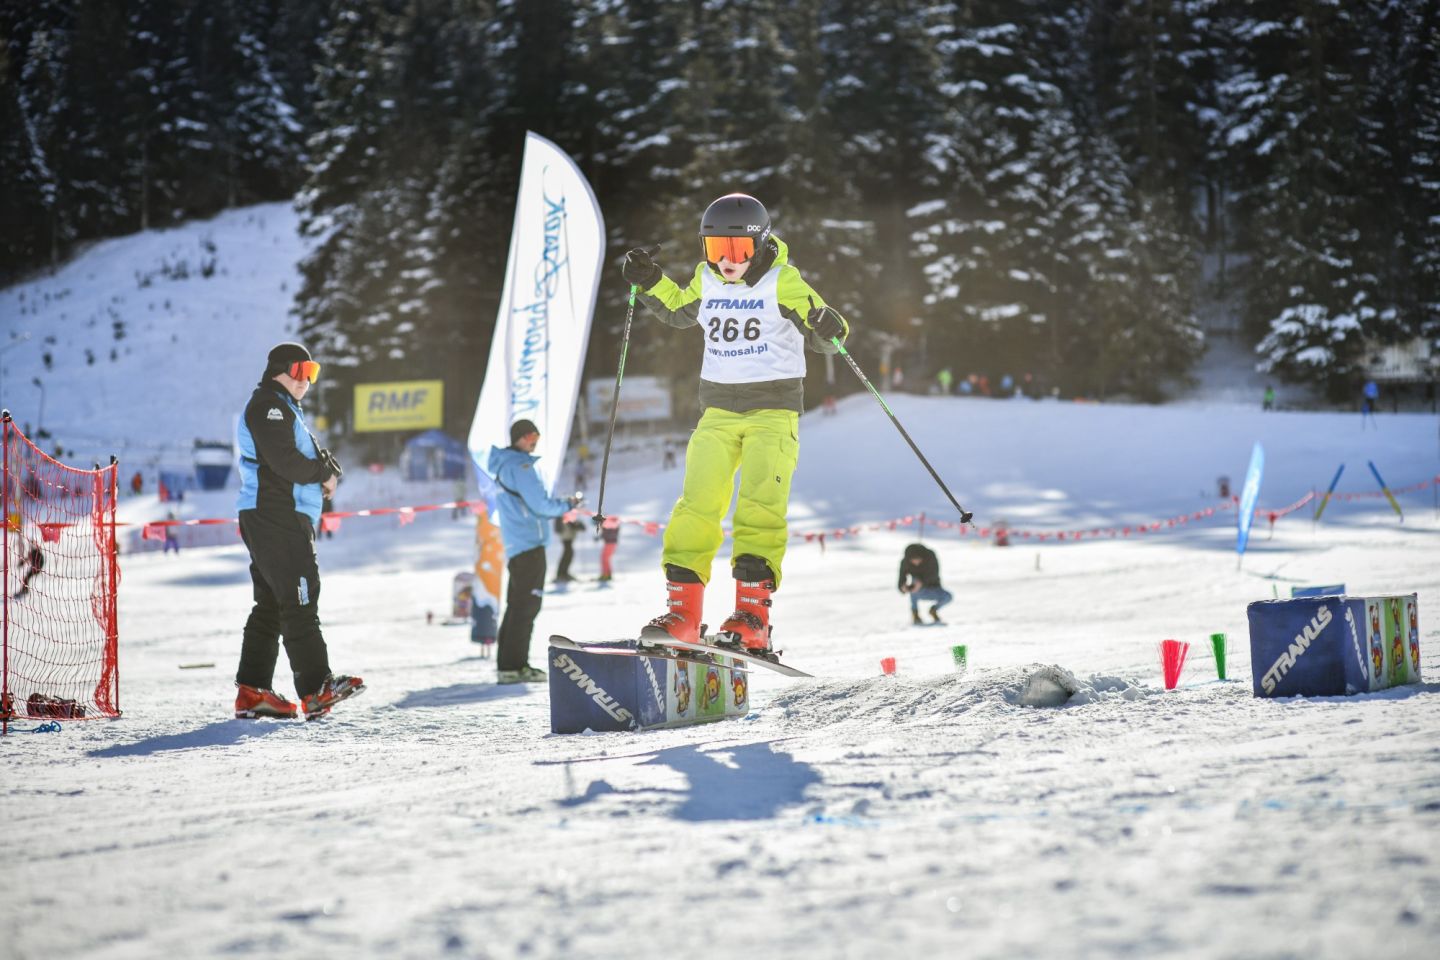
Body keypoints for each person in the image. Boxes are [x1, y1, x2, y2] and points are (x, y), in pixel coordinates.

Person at [620, 192, 849, 655]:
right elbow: (678, 310)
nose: (727, 261)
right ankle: (684, 616)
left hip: (773, 412)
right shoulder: (706, 278)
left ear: (759, 244)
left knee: (759, 505)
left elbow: (826, 336)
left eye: (738, 250)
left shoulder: (784, 281)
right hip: (718, 411)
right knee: (696, 505)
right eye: (716, 249)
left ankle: (752, 618)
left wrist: (830, 327)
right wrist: (650, 280)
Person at [234, 342, 363, 720]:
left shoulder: (283, 407)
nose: (306, 380)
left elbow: (304, 456)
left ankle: (253, 692)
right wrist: (323, 473)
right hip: (277, 514)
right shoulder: (268, 407)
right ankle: (316, 688)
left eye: (312, 372)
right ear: (278, 370)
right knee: (300, 596)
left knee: (273, 603)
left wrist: (327, 469)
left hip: (276, 514)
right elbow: (286, 462)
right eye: (300, 371)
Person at [487, 419, 582, 683]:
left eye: (537, 437)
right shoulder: (521, 466)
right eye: (531, 436)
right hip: (529, 542)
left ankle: (508, 665)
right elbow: (540, 505)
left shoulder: (506, 464)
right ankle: (515, 667)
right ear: (519, 437)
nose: (535, 441)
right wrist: (568, 504)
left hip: (518, 543)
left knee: (517, 606)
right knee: (527, 607)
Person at [898, 542, 952, 625]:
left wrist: (922, 583)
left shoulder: (930, 557)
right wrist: (902, 587)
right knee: (914, 581)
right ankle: (915, 613)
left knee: (948, 597)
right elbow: (901, 578)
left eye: (917, 559)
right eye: (912, 560)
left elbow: (934, 574)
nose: (915, 562)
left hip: (933, 587)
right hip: (917, 592)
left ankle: (933, 610)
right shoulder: (905, 562)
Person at [553, 512, 584, 584]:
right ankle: (562, 574)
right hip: (566, 536)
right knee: (567, 554)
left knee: (568, 554)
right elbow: (572, 524)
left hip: (567, 536)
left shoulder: (566, 513)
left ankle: (563, 573)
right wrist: (578, 525)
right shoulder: (565, 513)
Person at [597, 515, 620, 583]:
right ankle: (607, 574)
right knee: (605, 559)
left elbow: (606, 533)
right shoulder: (612, 525)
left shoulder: (608, 525)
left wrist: (600, 536)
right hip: (611, 543)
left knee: (604, 559)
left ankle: (606, 574)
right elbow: (606, 533)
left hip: (610, 543)